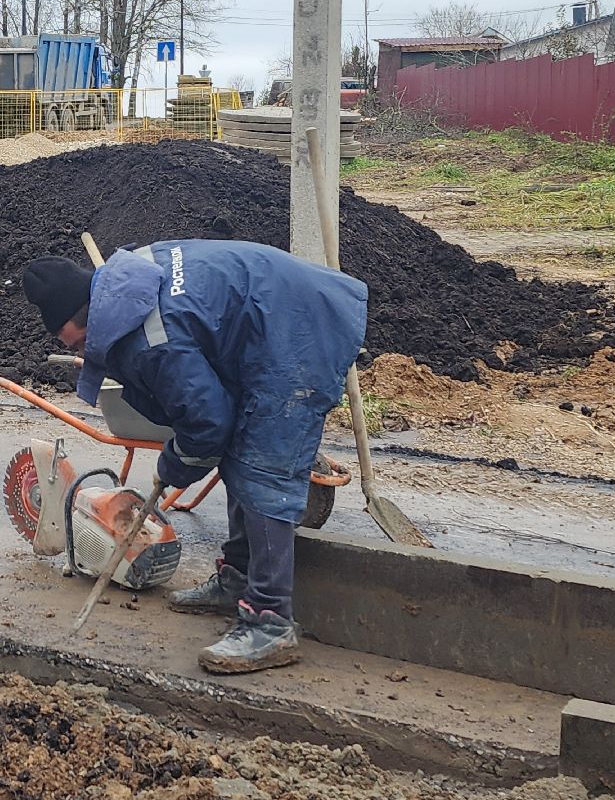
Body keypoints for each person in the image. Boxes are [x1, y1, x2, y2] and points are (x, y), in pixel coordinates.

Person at [21, 240, 367, 673]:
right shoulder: (126, 282)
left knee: (264, 469)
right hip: (270, 315)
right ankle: (239, 580)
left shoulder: (153, 341)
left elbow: (207, 425)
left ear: (82, 322)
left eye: (76, 344)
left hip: (299, 327)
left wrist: (172, 465)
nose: (79, 353)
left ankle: (270, 621)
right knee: (240, 452)